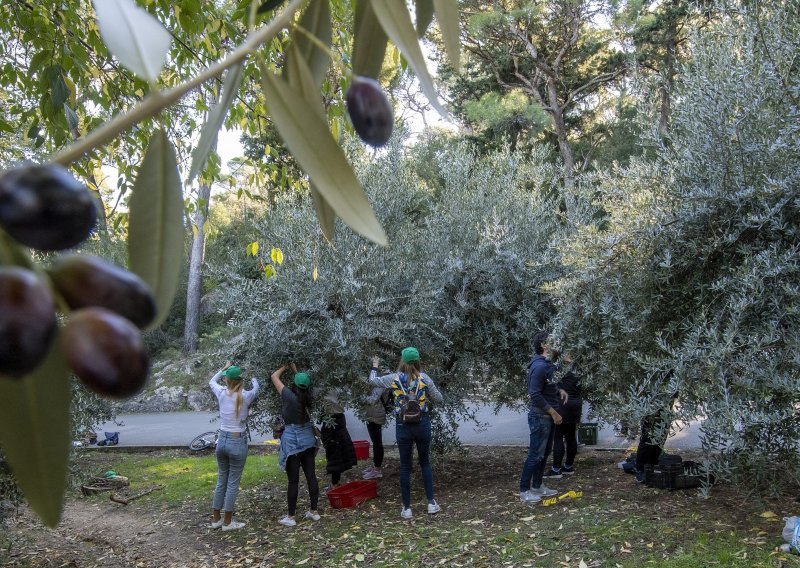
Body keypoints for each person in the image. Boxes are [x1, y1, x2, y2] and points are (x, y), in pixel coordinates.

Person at [368, 347, 443, 519]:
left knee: (405, 466)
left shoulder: (393, 379)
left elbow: (372, 381)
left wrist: (374, 365)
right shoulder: (424, 378)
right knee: (425, 463)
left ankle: (407, 508)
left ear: (402, 361)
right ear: (418, 361)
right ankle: (431, 503)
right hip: (422, 423)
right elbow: (439, 398)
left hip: (403, 425)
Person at [208, 362, 259, 531]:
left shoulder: (221, 392)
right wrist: (252, 374)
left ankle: (216, 519)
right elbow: (256, 388)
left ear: (227, 380)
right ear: (240, 380)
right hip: (237, 441)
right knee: (233, 483)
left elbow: (211, 381)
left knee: (221, 479)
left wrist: (223, 367)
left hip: (221, 440)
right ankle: (228, 522)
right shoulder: (246, 396)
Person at [519, 332, 568, 503]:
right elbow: (535, 394)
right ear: (543, 345)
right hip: (540, 417)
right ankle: (524, 490)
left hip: (547, 417)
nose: (556, 343)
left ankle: (537, 486)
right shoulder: (539, 366)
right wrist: (554, 413)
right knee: (535, 454)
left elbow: (547, 386)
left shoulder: (547, 365)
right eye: (552, 341)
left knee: (544, 453)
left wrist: (558, 390)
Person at [271, 364, 321, 526]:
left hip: (292, 441)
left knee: (293, 481)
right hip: (308, 439)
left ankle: (291, 517)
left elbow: (274, 377)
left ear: (294, 383)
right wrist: (296, 370)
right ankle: (314, 512)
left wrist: (285, 366)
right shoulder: (310, 395)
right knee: (311, 476)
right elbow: (303, 382)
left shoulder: (288, 396)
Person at [544, 354, 582, 478]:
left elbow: (550, 385)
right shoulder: (580, 367)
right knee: (571, 436)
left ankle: (556, 469)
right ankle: (568, 466)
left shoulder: (559, 368)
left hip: (562, 404)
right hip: (575, 404)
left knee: (558, 437)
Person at [319, 387, 357, 490]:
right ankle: (336, 481)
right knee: (338, 451)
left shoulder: (324, 388)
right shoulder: (341, 387)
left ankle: (335, 484)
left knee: (334, 453)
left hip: (332, 422)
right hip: (340, 420)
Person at [362, 384, 393, 480]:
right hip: (372, 413)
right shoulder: (379, 380)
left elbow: (373, 399)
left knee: (377, 442)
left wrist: (360, 397)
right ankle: (375, 466)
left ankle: (377, 470)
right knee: (376, 442)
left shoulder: (381, 382)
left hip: (376, 415)